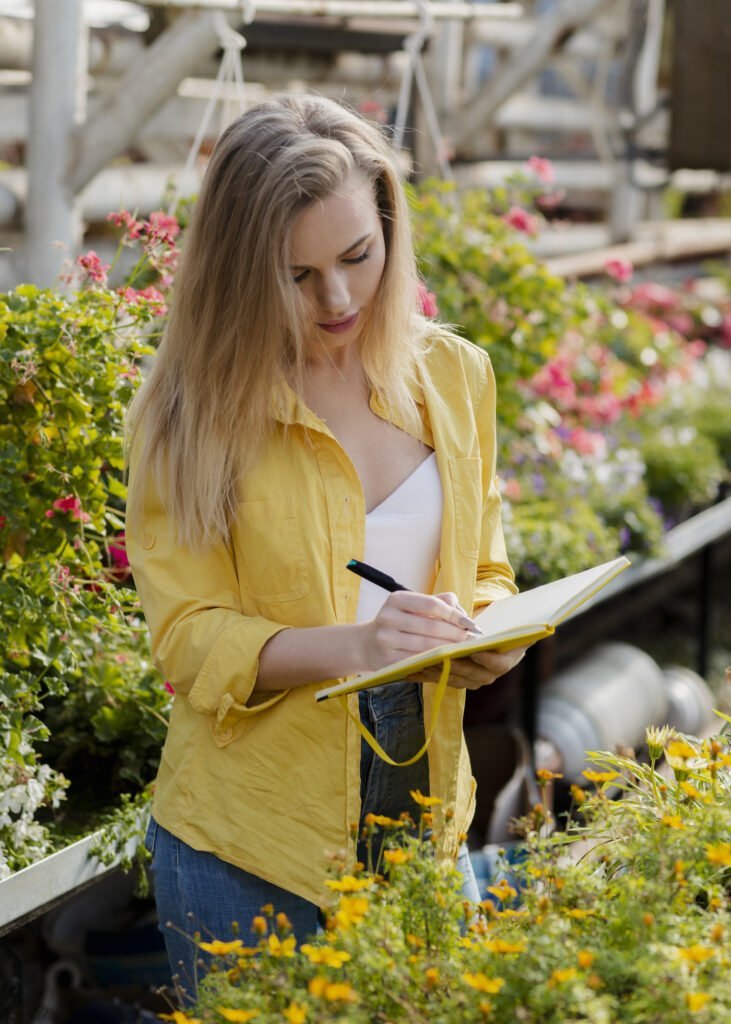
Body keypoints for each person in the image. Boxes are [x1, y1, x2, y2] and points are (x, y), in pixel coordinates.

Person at [125, 93, 524, 996]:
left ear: (389, 226)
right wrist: (362, 647)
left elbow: (487, 565)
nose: (338, 298)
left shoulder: (452, 376)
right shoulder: (187, 414)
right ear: (238, 271)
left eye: (356, 257)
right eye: (296, 276)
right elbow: (188, 638)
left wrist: (485, 630)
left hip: (424, 822)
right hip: (249, 846)